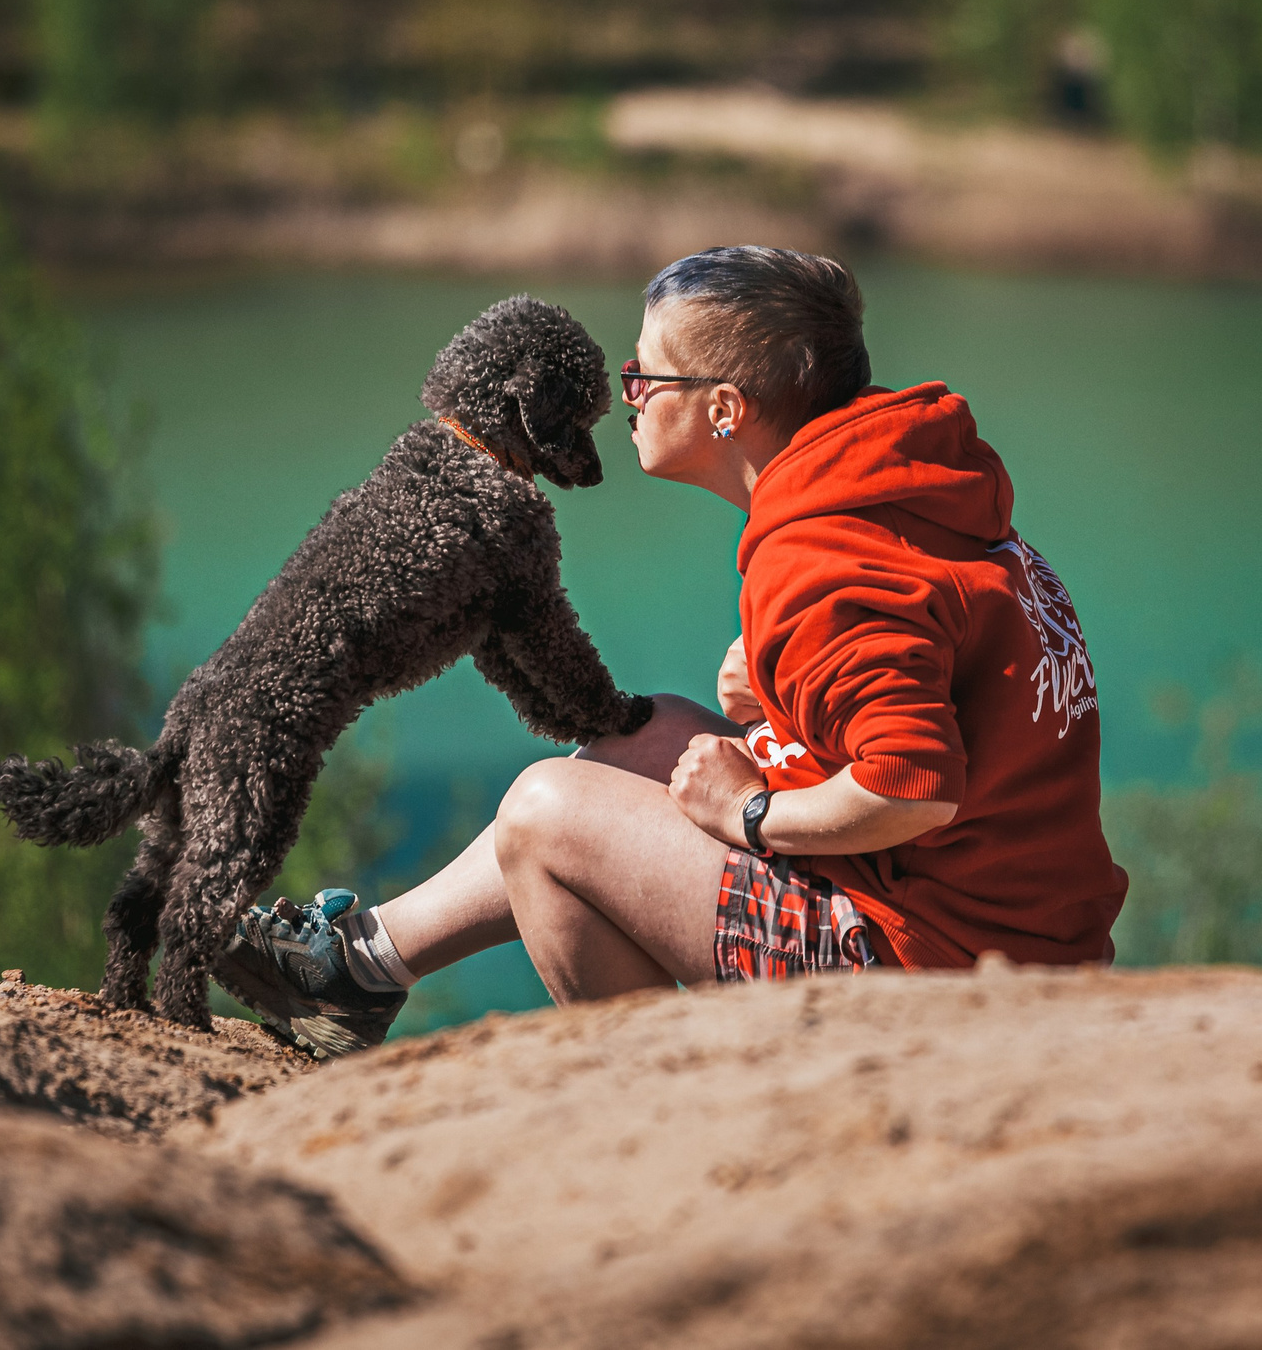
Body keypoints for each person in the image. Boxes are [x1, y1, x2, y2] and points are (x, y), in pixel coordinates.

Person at [222, 246, 1128, 1057]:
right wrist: (774, 709)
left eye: (646, 377)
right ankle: (363, 967)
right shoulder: (916, 485)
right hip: (1008, 928)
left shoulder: (822, 556)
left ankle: (673, 1110)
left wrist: (750, 814)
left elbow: (914, 788)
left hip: (926, 967)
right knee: (639, 737)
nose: (630, 397)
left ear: (726, 408)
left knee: (548, 813)